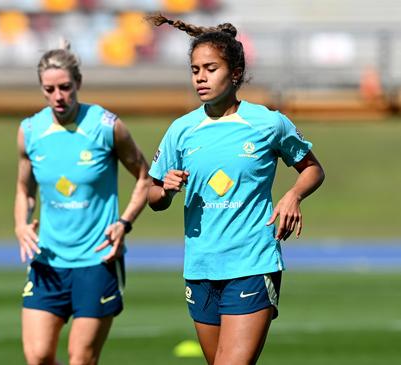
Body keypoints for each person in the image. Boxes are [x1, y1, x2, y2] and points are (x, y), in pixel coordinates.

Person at [146, 15, 325, 365]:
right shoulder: (181, 130)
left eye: (210, 68)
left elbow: (313, 169)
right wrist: (166, 191)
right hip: (200, 267)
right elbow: (153, 197)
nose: (201, 77)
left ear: (236, 73)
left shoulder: (268, 123)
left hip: (252, 262)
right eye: (195, 69)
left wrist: (293, 195)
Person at [14, 40, 151, 365]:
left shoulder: (107, 126)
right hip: (48, 260)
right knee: (37, 356)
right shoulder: (30, 131)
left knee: (81, 358)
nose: (58, 96)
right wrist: (21, 223)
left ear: (78, 84)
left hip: (96, 261)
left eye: (65, 87)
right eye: (49, 89)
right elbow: (24, 190)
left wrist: (124, 223)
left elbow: (144, 178)